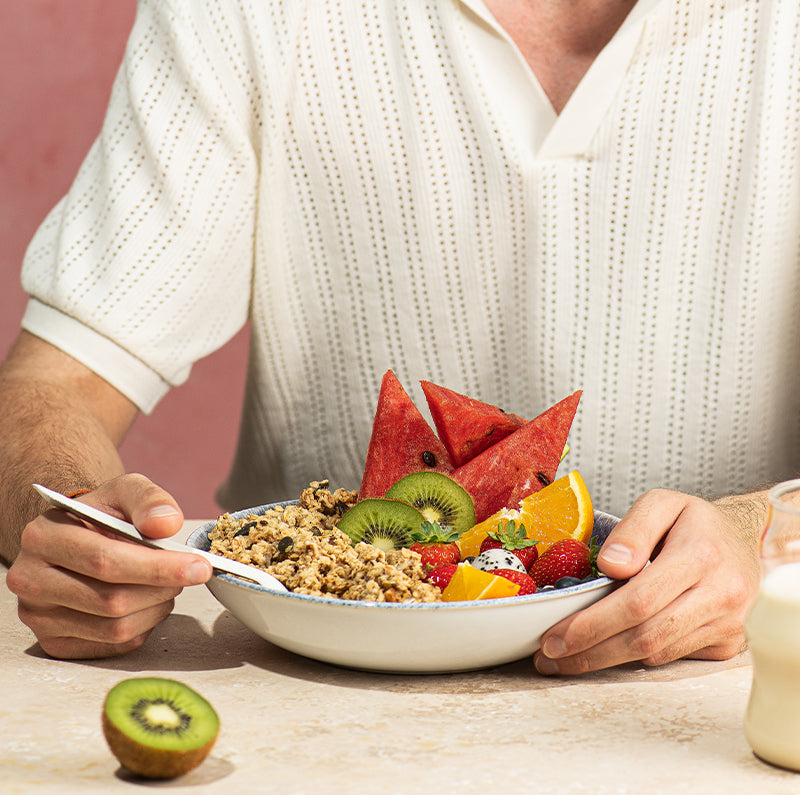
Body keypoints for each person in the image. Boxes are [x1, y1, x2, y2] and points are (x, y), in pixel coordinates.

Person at [3, 0, 795, 673]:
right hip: (305, 692)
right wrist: (80, 522)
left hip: (721, 693)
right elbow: (54, 386)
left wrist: (764, 534)